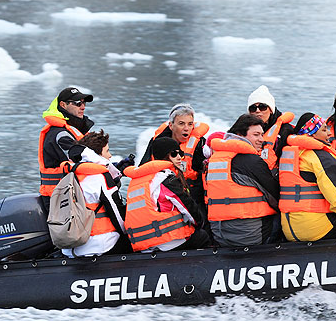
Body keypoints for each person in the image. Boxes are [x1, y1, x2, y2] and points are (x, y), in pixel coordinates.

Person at [279, 113, 336, 242]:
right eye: (324, 130)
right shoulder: (320, 157)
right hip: (316, 230)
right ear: (311, 134)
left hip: (289, 229)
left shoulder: (290, 153)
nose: (329, 133)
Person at [204, 113, 280, 247]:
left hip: (219, 234)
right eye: (256, 135)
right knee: (287, 210)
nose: (261, 139)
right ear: (240, 135)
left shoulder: (215, 159)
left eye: (262, 135)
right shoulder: (252, 162)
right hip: (248, 236)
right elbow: (276, 198)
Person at [123, 136, 211, 252]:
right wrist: (200, 224)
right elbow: (188, 207)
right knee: (203, 236)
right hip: (166, 242)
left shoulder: (137, 181)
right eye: (174, 154)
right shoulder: (165, 179)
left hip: (142, 244)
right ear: (164, 156)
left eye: (181, 153)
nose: (179, 157)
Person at [62, 129, 129, 258]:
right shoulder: (101, 177)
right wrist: (129, 233)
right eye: (107, 151)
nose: (110, 156)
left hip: (72, 248)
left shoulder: (70, 175)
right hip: (100, 245)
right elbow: (116, 213)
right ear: (97, 154)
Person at [139, 103, 210, 209]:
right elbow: (144, 168)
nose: (186, 128)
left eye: (190, 124)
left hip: (192, 199)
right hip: (163, 198)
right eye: (181, 124)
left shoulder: (199, 144)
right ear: (171, 126)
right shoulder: (158, 143)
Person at [38, 86, 94, 199]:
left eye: (84, 103)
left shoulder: (76, 131)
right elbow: (82, 159)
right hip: (59, 198)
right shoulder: (60, 134)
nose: (82, 107)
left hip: (72, 193)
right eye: (78, 103)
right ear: (63, 105)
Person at [246, 85, 294, 171]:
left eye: (262, 107)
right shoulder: (244, 129)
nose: (257, 111)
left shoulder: (285, 130)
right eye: (253, 108)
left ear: (271, 110)